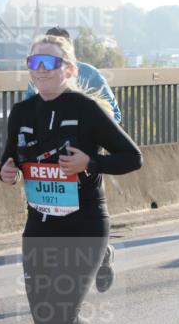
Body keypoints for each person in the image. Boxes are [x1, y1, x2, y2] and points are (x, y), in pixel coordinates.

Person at [0, 34, 142, 324]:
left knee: (61, 312)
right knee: (42, 318)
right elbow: (9, 159)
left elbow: (132, 158)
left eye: (50, 63)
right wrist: (6, 171)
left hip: (85, 224)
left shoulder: (87, 110)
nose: (40, 70)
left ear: (69, 69)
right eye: (34, 63)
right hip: (40, 225)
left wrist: (89, 163)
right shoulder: (21, 112)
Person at [25, 26, 122, 292]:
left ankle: (101, 255)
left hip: (82, 159)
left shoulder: (90, 74)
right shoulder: (38, 77)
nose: (46, 65)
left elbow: (114, 114)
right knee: (53, 216)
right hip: (49, 161)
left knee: (81, 217)